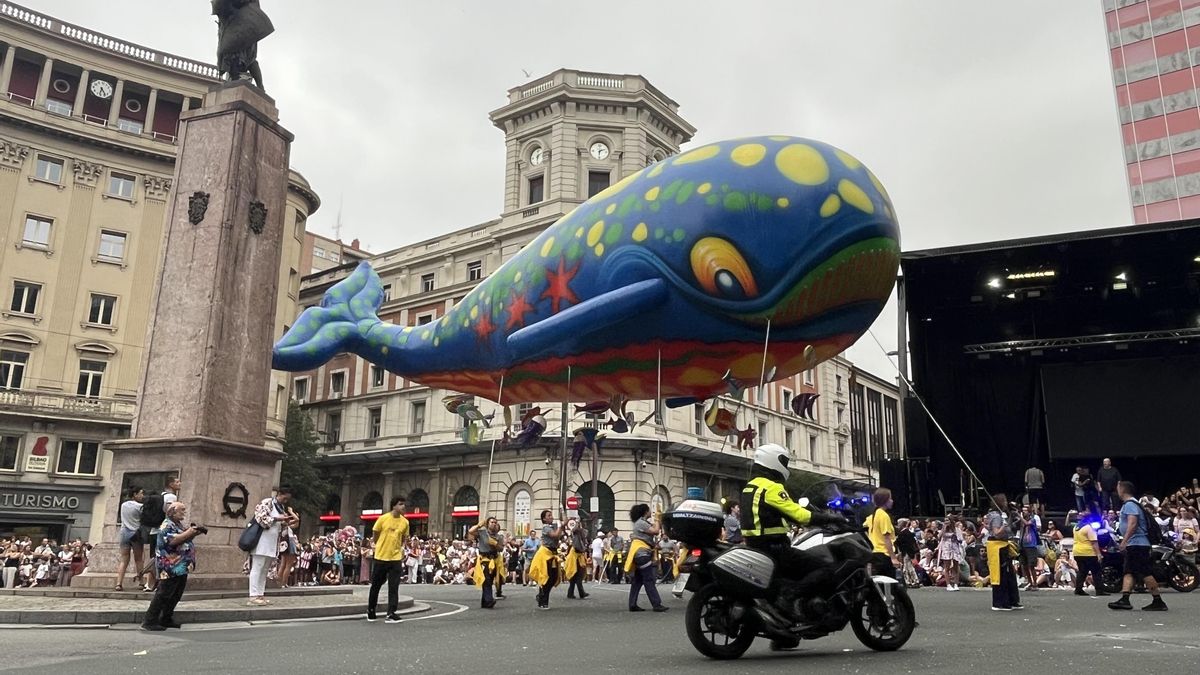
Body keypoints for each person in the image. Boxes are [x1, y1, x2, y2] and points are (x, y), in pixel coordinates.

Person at [740, 444, 843, 591]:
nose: (785, 466)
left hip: (755, 546)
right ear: (773, 461)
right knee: (825, 568)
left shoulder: (750, 486)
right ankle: (793, 595)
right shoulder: (771, 487)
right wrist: (831, 518)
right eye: (784, 462)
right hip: (775, 549)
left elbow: (772, 514)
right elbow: (801, 516)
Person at [141, 501, 204, 631]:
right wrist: (190, 532)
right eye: (182, 510)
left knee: (176, 594)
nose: (184, 512)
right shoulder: (166, 525)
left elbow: (183, 539)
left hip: (181, 565)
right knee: (164, 593)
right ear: (172, 512)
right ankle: (149, 621)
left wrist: (193, 533)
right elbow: (174, 540)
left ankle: (166, 618)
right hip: (170, 566)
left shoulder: (177, 524)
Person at [1108, 481, 1167, 611]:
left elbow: (1133, 524)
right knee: (1129, 571)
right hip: (1135, 544)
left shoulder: (1130, 505)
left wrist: (1124, 541)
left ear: (1122, 490)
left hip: (1137, 544)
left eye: (1118, 488)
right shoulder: (1134, 504)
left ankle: (1158, 601)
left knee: (1144, 571)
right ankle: (1125, 599)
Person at [248, 487, 296, 606]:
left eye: (287, 499)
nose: (285, 501)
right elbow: (260, 519)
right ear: (279, 494)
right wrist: (276, 519)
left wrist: (284, 522)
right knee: (257, 567)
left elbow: (281, 526)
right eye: (284, 498)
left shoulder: (281, 508)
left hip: (272, 542)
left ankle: (260, 594)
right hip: (261, 541)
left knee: (264, 569)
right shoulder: (267, 503)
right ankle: (253, 595)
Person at [368, 496, 410, 622]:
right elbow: (375, 533)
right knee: (376, 585)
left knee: (394, 586)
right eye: (400, 504)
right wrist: (379, 545)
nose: (403, 506)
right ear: (394, 506)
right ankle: (371, 609)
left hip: (395, 558)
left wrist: (399, 549)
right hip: (381, 556)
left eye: (404, 504)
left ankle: (391, 612)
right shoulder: (383, 519)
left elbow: (403, 538)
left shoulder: (405, 522)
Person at [626, 503, 668, 612]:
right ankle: (656, 604)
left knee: (638, 580)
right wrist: (658, 519)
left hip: (640, 554)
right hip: (642, 554)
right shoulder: (641, 523)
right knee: (649, 579)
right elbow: (655, 531)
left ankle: (632, 604)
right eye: (649, 510)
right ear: (645, 512)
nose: (651, 512)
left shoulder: (641, 523)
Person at [140, 475, 180, 592]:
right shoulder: (171, 497)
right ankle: (159, 583)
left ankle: (149, 583)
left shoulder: (160, 496)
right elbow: (170, 513)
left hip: (154, 530)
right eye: (177, 482)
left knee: (154, 556)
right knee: (162, 557)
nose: (180, 483)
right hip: (163, 531)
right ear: (171, 484)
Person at [985, 494, 1022, 611]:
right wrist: (1004, 526)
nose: (1006, 503)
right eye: (1005, 501)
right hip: (997, 547)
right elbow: (996, 532)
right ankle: (1000, 602)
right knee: (1002, 575)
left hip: (1004, 545)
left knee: (1010, 574)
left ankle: (1012, 599)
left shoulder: (1002, 515)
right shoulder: (996, 516)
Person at [529, 510, 563, 610]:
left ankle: (541, 596)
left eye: (551, 515)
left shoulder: (553, 526)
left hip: (552, 554)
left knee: (553, 577)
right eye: (549, 515)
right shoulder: (546, 528)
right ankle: (543, 601)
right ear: (544, 519)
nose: (551, 517)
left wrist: (564, 522)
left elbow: (560, 532)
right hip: (545, 555)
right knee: (547, 577)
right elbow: (555, 535)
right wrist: (561, 526)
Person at [115, 486, 145, 592]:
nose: (143, 496)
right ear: (135, 494)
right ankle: (141, 582)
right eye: (141, 493)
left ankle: (119, 583)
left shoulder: (123, 505)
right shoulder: (140, 507)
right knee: (138, 559)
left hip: (124, 532)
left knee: (124, 559)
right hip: (136, 533)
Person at [468, 516, 502, 609]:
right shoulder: (482, 533)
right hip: (485, 559)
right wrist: (479, 525)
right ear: (487, 524)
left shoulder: (498, 536)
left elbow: (501, 548)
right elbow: (471, 531)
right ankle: (489, 600)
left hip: (494, 559)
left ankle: (485, 601)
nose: (494, 524)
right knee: (486, 580)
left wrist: (495, 544)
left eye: (495, 522)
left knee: (490, 581)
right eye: (492, 522)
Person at [1072, 508, 1106, 597]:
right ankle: (1099, 590)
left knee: (1082, 571)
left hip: (1077, 551)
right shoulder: (1089, 528)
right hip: (1088, 552)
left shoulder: (1076, 527)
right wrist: (1099, 554)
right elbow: (1094, 542)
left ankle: (1078, 589)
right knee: (1096, 571)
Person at [563, 518, 590, 599]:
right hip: (575, 557)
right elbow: (575, 530)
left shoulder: (581, 534)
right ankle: (581, 593)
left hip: (577, 556)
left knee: (576, 576)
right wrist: (575, 523)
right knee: (577, 575)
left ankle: (572, 593)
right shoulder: (576, 535)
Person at [939, 515, 965, 591]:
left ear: (951, 521)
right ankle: (948, 585)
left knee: (956, 566)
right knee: (947, 567)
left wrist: (956, 538)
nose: (946, 522)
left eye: (947, 520)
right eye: (945, 521)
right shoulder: (944, 529)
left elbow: (961, 540)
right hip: (946, 548)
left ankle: (956, 584)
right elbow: (939, 537)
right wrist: (943, 528)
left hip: (955, 548)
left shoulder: (957, 529)